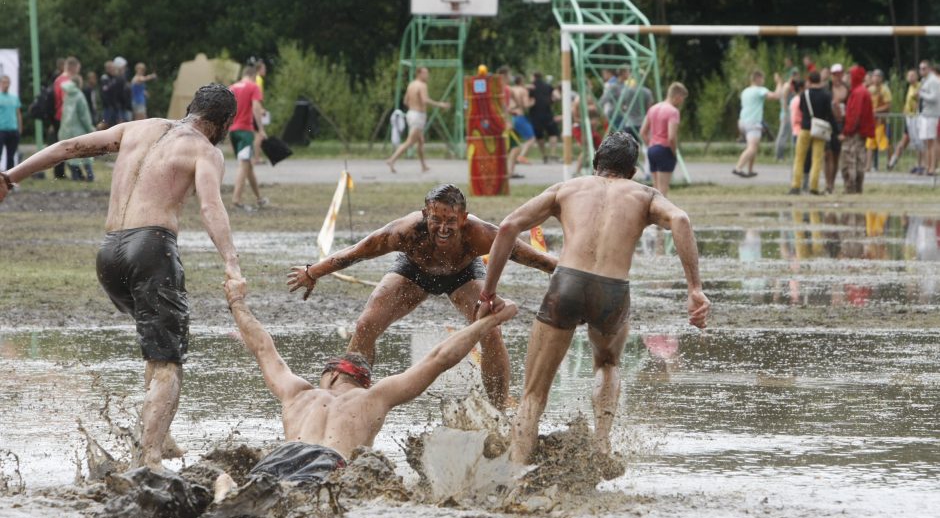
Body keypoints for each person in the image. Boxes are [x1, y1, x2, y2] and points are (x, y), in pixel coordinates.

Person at [0, 83, 243, 469]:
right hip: (152, 250)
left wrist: (11, 177)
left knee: (156, 338)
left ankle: (159, 435)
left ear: (191, 108)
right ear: (224, 123)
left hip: (108, 254)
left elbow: (70, 148)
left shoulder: (139, 127)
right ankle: (148, 461)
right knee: (168, 360)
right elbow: (212, 208)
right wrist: (231, 262)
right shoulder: (205, 151)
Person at [476, 132, 709, 464]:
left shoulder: (567, 189)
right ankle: (601, 444)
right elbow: (681, 220)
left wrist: (488, 292)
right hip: (612, 292)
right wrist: (694, 288)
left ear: (596, 161)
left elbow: (508, 227)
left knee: (533, 395)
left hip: (567, 284)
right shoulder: (643, 194)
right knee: (608, 363)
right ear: (632, 170)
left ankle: (515, 476)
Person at [213, 278, 518, 496]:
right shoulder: (373, 398)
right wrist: (488, 322)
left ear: (331, 376)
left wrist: (236, 300)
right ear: (362, 380)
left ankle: (227, 490)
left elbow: (263, 347)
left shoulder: (298, 392)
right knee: (297, 501)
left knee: (250, 493)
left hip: (282, 456)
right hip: (328, 463)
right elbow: (437, 359)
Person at [286, 184, 556, 409]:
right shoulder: (405, 232)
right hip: (414, 272)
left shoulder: (481, 234)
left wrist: (563, 272)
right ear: (425, 214)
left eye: (451, 221)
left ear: (463, 218)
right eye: (436, 220)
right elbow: (357, 252)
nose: (443, 228)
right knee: (366, 324)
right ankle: (347, 400)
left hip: (462, 276)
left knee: (491, 332)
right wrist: (313, 272)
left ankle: (499, 409)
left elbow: (531, 257)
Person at [385, 67, 450, 173]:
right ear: (419, 74)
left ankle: (423, 166)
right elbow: (425, 100)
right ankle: (392, 160)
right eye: (425, 73)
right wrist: (440, 104)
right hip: (418, 116)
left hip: (410, 114)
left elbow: (406, 101)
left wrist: (414, 105)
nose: (427, 76)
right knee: (409, 142)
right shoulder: (422, 85)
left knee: (421, 141)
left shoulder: (411, 85)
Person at [733, 70, 785, 178]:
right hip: (753, 122)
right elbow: (776, 96)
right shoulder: (760, 90)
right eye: (762, 78)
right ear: (757, 78)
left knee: (753, 147)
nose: (763, 81)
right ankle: (738, 168)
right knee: (752, 147)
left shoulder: (745, 91)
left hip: (742, 122)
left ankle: (750, 170)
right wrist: (779, 83)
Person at [229, 64, 268, 211]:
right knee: (244, 164)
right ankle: (236, 200)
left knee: (248, 166)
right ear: (253, 76)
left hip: (233, 131)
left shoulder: (232, 87)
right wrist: (261, 129)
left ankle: (259, 199)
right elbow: (256, 107)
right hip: (245, 130)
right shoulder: (253, 86)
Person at [640, 82, 688, 196]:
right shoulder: (673, 112)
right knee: (663, 190)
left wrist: (650, 144)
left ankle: (652, 213)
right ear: (677, 96)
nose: (682, 102)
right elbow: (671, 137)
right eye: (683, 98)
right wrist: (674, 152)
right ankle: (661, 213)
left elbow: (643, 132)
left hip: (652, 150)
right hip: (664, 149)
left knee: (655, 189)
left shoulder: (653, 108)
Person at [790, 70, 834, 195]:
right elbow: (829, 113)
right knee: (817, 159)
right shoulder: (826, 95)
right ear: (820, 80)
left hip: (805, 128)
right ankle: (813, 187)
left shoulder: (805, 94)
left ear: (809, 80)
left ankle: (796, 186)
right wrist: (836, 130)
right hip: (819, 130)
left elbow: (801, 108)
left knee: (799, 158)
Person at [840, 65, 875, 194]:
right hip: (860, 132)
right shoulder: (861, 91)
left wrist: (847, 131)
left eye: (849, 76)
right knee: (859, 160)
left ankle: (850, 187)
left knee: (849, 160)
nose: (847, 78)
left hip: (854, 133)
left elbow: (855, 115)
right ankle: (857, 188)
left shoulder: (858, 93)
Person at [59, 76, 96, 182]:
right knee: (86, 153)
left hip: (66, 129)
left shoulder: (67, 95)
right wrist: (90, 128)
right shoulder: (80, 96)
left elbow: (64, 113)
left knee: (70, 154)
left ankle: (75, 176)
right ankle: (90, 176)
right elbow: (84, 115)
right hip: (79, 130)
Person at [888, 69, 923, 171]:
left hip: (916, 118)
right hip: (909, 118)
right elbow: (908, 102)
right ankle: (892, 161)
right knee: (904, 141)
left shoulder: (919, 86)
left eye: (913, 75)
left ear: (916, 76)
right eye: (909, 76)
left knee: (917, 142)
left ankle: (920, 164)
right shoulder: (910, 87)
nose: (910, 77)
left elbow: (919, 100)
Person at [52, 57, 81, 178]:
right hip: (66, 118)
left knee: (61, 145)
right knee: (69, 146)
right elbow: (68, 101)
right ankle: (74, 173)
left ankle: (60, 172)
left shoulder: (58, 80)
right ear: (73, 67)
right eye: (78, 68)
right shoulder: (67, 81)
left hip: (58, 116)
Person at [825, 64, 849, 194]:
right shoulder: (828, 88)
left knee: (836, 155)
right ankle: (828, 183)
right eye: (835, 74)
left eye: (839, 74)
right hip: (829, 124)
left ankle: (832, 183)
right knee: (827, 155)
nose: (837, 77)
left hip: (840, 123)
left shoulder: (846, 89)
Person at [528, 72, 560, 163]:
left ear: (534, 77)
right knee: (553, 133)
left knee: (539, 135)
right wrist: (552, 101)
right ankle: (553, 153)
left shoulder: (531, 87)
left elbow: (528, 99)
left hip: (535, 114)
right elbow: (557, 96)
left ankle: (544, 155)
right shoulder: (548, 85)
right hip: (547, 113)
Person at [864, 69, 892, 172]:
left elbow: (888, 105)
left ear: (881, 78)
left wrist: (875, 111)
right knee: (870, 144)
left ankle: (890, 163)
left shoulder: (885, 89)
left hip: (881, 122)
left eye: (877, 76)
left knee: (884, 144)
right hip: (872, 122)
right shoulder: (870, 89)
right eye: (874, 76)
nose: (875, 78)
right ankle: (868, 166)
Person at [508, 75, 536, 176]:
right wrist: (532, 102)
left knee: (515, 144)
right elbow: (525, 104)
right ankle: (522, 157)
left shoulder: (511, 89)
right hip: (519, 116)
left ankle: (511, 169)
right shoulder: (523, 91)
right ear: (521, 81)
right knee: (531, 138)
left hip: (512, 117)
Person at [918, 60, 940, 177]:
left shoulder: (934, 81)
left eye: (924, 68)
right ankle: (927, 166)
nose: (921, 71)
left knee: (932, 142)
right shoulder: (924, 81)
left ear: (929, 69)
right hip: (924, 115)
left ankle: (932, 167)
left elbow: (934, 97)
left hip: (932, 115)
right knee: (926, 142)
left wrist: (921, 94)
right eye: (920, 68)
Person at [0, 75, 22, 172]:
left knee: (11, 156)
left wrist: (20, 128)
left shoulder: (14, 98)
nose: (6, 85)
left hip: (13, 130)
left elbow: (18, 113)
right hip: (1, 129)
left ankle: (9, 180)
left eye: (7, 82)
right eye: (4, 82)